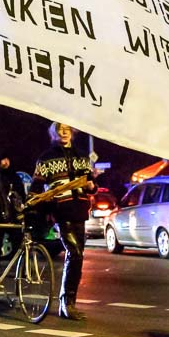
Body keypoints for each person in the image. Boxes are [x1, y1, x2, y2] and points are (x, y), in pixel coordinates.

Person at [31, 122, 96, 321]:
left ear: (73, 132)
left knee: (78, 256)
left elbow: (90, 185)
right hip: (61, 210)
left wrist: (92, 186)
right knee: (74, 252)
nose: (65, 133)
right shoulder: (47, 157)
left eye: (68, 130)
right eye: (61, 130)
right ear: (55, 133)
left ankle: (67, 303)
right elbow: (36, 186)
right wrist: (38, 202)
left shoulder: (82, 157)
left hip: (80, 210)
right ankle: (66, 303)